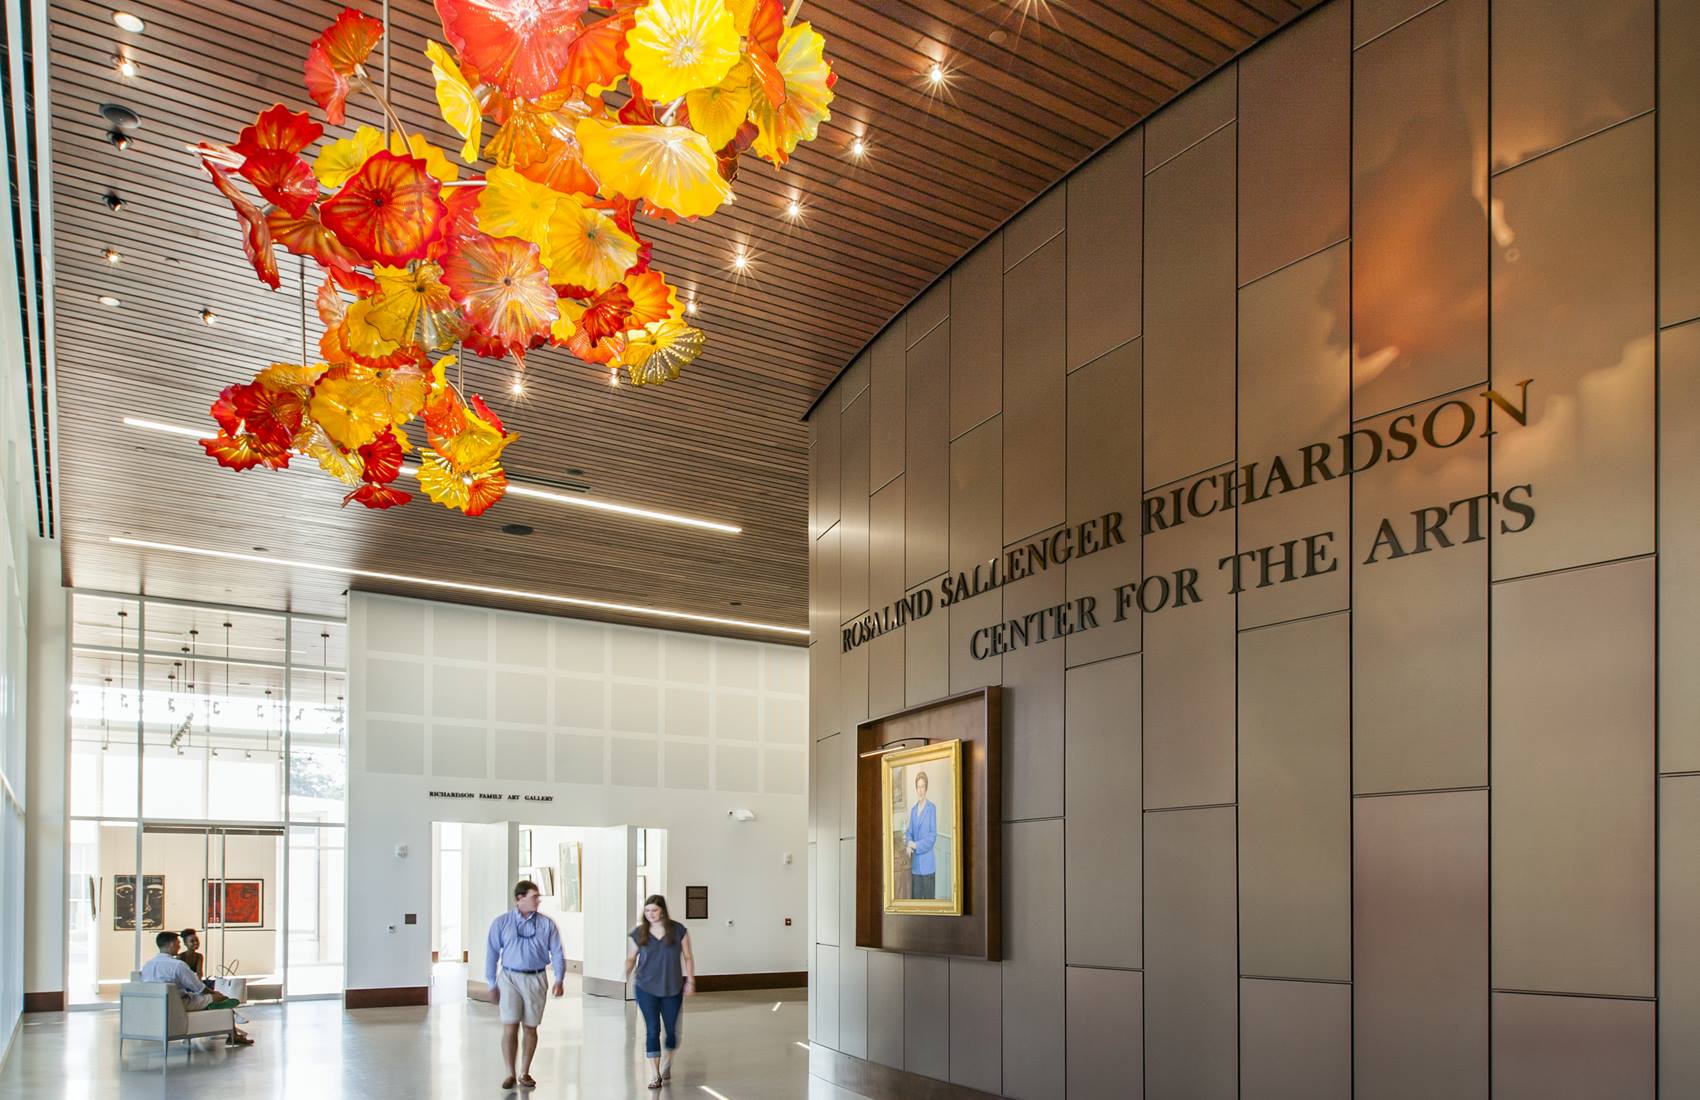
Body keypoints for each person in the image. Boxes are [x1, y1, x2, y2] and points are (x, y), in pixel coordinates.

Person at [485, 879, 566, 1091]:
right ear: (520, 899)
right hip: (510, 978)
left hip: (536, 978)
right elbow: (492, 953)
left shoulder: (547, 924)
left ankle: (524, 1071)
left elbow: (557, 951)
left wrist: (560, 978)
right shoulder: (502, 923)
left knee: (531, 1027)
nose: (537, 901)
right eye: (534, 897)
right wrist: (491, 983)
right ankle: (509, 1073)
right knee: (510, 1025)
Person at [625, 894, 696, 1090]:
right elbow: (631, 957)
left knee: (672, 1032)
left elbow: (688, 957)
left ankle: (666, 1063)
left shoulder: (678, 930)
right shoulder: (639, 933)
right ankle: (655, 1074)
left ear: (662, 910)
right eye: (647, 911)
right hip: (645, 988)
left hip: (672, 988)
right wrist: (626, 970)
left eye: (654, 910)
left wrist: (690, 980)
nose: (651, 914)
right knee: (652, 1029)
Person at [140, 930, 251, 1047]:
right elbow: (199, 987)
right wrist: (215, 994)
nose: (179, 946)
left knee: (212, 998)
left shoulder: (147, 965)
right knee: (220, 998)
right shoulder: (177, 965)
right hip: (180, 1004)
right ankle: (233, 1035)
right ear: (172, 944)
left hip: (158, 1006)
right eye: (178, 943)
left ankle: (229, 1025)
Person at [905, 770, 938, 899]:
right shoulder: (913, 810)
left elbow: (932, 837)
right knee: (916, 906)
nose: (920, 790)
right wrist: (908, 844)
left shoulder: (931, 808)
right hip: (915, 867)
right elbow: (910, 833)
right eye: (918, 787)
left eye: (922, 787)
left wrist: (915, 845)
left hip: (928, 866)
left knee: (929, 907)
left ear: (926, 788)